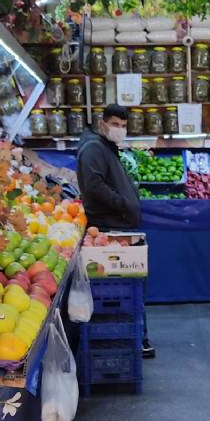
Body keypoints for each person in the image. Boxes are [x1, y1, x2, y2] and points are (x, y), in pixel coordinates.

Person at [77, 105, 154, 357]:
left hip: (116, 225)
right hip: (109, 228)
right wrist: (123, 204)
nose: (119, 130)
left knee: (132, 286)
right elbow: (94, 186)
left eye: (123, 125)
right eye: (115, 124)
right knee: (124, 288)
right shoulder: (93, 149)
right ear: (102, 123)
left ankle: (134, 335)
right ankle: (129, 337)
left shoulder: (104, 147)